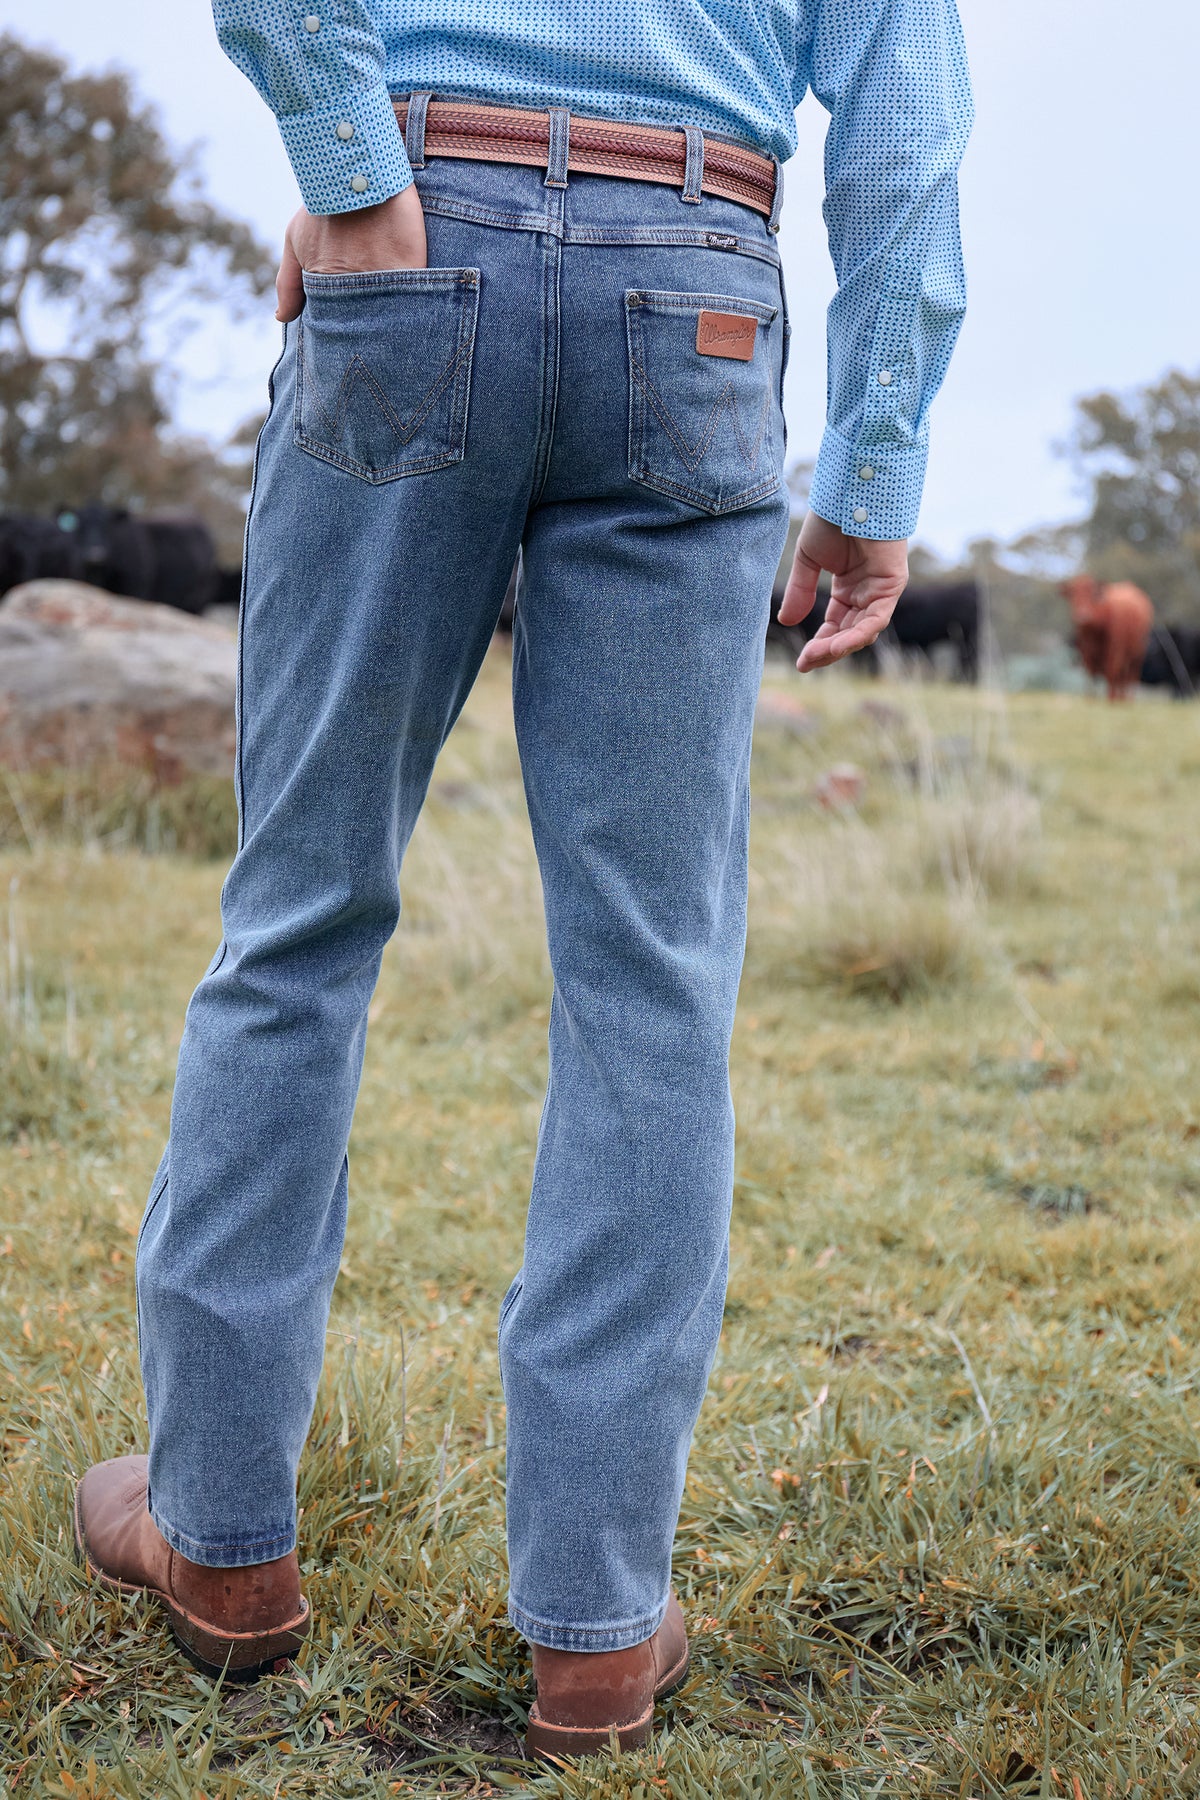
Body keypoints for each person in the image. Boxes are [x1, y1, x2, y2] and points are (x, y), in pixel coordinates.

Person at [73, 0, 972, 1758]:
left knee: (300, 922)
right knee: (652, 977)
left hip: (424, 237)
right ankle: (598, 1633)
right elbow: (907, 140)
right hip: (701, 274)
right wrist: (873, 468)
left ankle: (224, 1545)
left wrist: (352, 167)